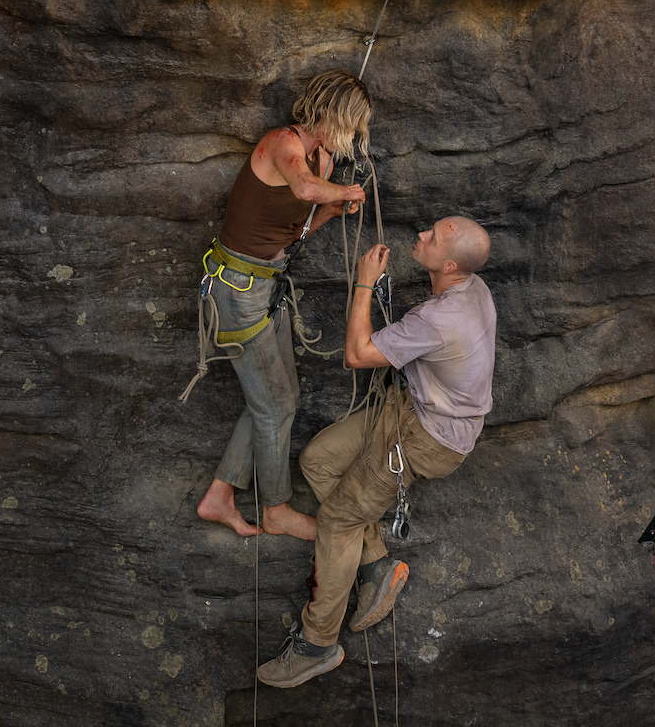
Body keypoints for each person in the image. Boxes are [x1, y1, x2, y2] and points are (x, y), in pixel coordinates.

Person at [256, 216, 496, 688]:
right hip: (410, 411)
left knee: (337, 520)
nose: (421, 234)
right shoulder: (474, 286)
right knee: (317, 460)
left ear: (450, 265)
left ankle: (317, 645)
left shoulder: (440, 319)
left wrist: (364, 283)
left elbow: (358, 355)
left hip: (428, 439)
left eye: (433, 237)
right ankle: (375, 564)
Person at [194, 69, 373, 542]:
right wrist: (344, 192)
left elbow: (292, 230)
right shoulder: (282, 145)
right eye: (352, 126)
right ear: (332, 115)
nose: (354, 137)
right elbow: (305, 190)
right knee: (274, 406)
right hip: (235, 292)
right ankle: (275, 510)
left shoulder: (319, 159)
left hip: (264, 286)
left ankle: (219, 496)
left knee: (280, 399)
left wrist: (331, 211)